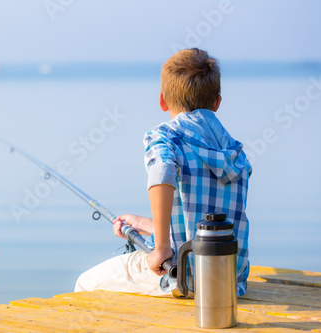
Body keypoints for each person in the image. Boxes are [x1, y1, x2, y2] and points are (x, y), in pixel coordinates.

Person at [74, 48, 251, 297]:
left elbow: (162, 171)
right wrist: (141, 224)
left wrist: (161, 248)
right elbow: (202, 221)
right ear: (217, 102)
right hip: (229, 282)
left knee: (85, 283)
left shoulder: (165, 137)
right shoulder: (235, 153)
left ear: (162, 100)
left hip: (182, 278)